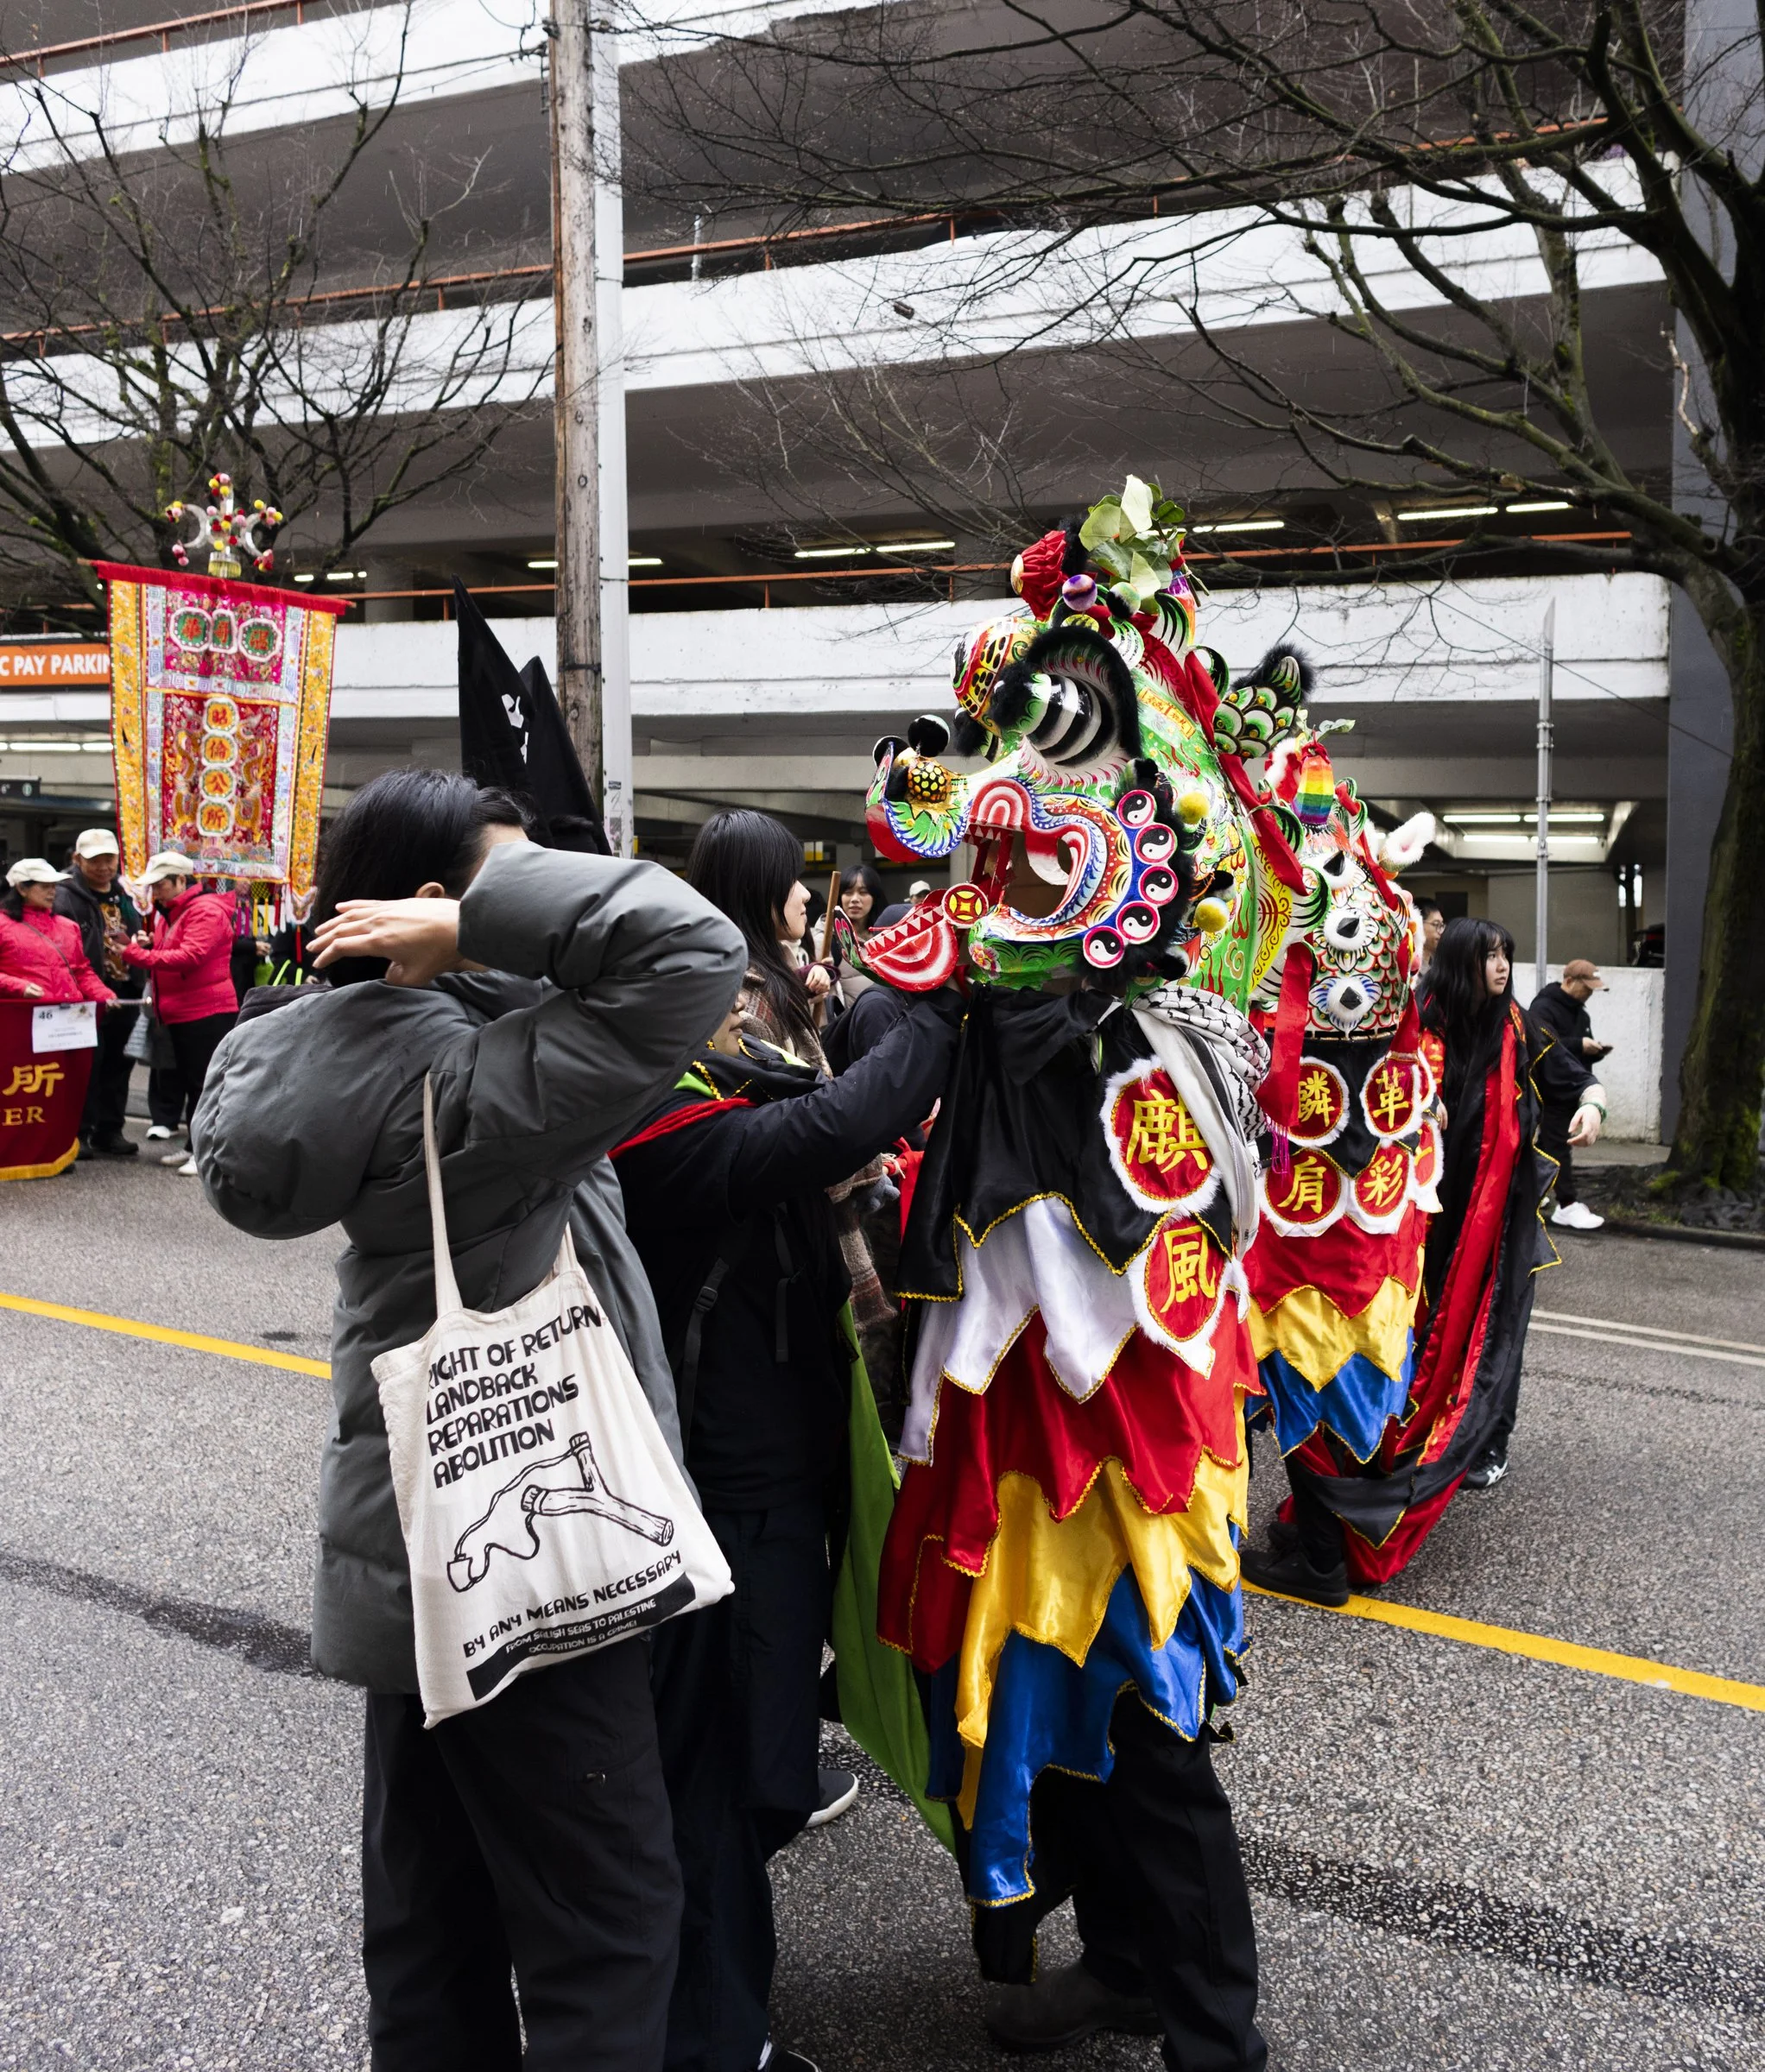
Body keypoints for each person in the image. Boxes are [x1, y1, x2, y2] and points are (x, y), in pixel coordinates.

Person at [193, 768, 746, 2072]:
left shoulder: (345, 1052)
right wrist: (478, 924)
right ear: (432, 907)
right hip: (535, 1558)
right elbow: (694, 949)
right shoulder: (477, 1075)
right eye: (511, 872)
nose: (534, 889)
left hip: (417, 1546)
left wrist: (468, 934)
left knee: (432, 1921)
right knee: (609, 1926)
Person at [611, 979, 959, 2072]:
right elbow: (832, 1126)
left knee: (747, 1767)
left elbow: (829, 1114)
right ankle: (710, 2041)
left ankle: (693, 2000)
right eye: (716, 984)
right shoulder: (648, 1118)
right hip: (719, 1495)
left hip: (779, 1481)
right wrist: (950, 1011)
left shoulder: (728, 1083)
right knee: (724, 1779)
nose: (746, 996)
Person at [1244, 919, 1605, 1599]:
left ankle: (1413, 1484)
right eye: (1489, 956)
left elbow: (1567, 1073)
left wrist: (1592, 1098)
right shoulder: (1408, 1027)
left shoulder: (1515, 1030)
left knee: (1445, 1355)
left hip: (1475, 1228)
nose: (1500, 968)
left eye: (1506, 955)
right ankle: (1339, 1521)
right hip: (1402, 1229)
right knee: (1365, 1374)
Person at [122, 852, 241, 1174]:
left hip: (206, 1010)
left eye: (160, 885)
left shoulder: (205, 910)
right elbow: (174, 953)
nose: (156, 892)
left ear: (181, 881)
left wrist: (135, 954)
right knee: (193, 1083)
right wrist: (149, 947)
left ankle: (206, 1154)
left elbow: (190, 956)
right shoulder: (173, 913)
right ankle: (195, 1147)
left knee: (204, 1084)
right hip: (183, 1009)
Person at [55, 829, 145, 1157]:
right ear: (78, 860)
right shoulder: (64, 895)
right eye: (95, 860)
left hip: (126, 990)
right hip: (84, 995)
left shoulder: (126, 892)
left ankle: (110, 1130)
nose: (104, 867)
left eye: (109, 858)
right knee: (85, 1066)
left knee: (119, 1064)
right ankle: (77, 1133)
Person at [1529, 958, 1612, 1232]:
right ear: (1569, 981)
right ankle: (1566, 1205)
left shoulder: (1581, 1013)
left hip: (1570, 1090)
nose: (1589, 993)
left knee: (1550, 1146)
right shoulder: (1544, 1008)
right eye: (1586, 987)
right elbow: (1544, 1047)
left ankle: (1531, 1195)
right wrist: (1580, 1045)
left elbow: (1570, 1054)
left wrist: (1594, 1051)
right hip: (1549, 1088)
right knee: (1557, 1145)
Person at [1, 859, 117, 1011]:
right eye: (45, 887)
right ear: (22, 889)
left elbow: (81, 971)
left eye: (53, 886)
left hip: (69, 1017)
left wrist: (103, 994)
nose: (52, 891)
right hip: (22, 1017)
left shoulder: (68, 926)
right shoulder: (3, 926)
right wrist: (18, 986)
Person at [1416, 896, 1445, 970]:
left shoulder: (1439, 966)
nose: (1441, 932)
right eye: (1436, 924)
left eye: (1441, 925)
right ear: (1418, 925)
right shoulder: (1410, 968)